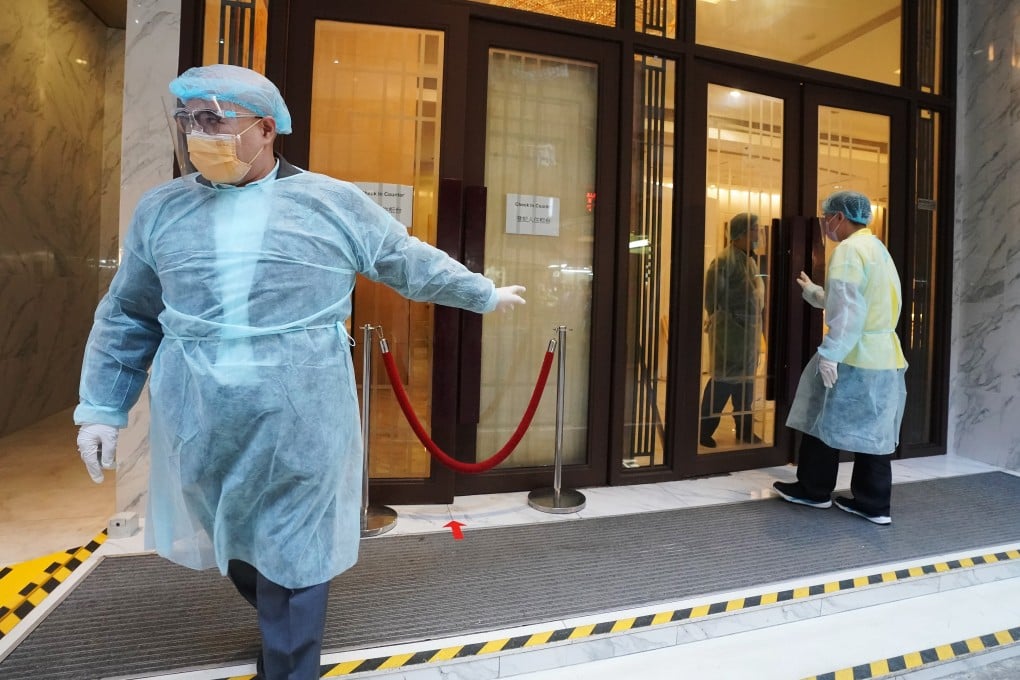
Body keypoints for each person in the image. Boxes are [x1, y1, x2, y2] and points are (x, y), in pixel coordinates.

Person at [73, 64, 526, 679]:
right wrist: (102, 407)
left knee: (296, 549)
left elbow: (402, 258)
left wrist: (481, 292)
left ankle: (288, 663)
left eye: (214, 119)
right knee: (235, 540)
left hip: (302, 416)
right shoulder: (162, 211)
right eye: (188, 119)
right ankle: (278, 617)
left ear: (266, 129)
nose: (197, 133)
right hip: (199, 417)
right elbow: (129, 312)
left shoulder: (331, 203)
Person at [773, 190, 907, 525]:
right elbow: (860, 302)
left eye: (826, 217)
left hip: (853, 356)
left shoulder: (848, 252)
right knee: (874, 434)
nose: (824, 223)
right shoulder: (877, 249)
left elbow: (848, 311)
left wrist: (831, 353)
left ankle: (814, 489)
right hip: (884, 356)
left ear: (839, 217)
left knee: (822, 421)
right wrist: (816, 293)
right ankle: (874, 503)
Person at [699, 212, 765, 448]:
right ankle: (704, 431)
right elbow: (712, 298)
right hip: (730, 333)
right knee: (723, 382)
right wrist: (726, 320)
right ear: (741, 233)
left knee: (745, 384)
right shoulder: (724, 261)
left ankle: (744, 431)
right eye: (755, 229)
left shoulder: (748, 260)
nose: (758, 234)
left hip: (747, 333)